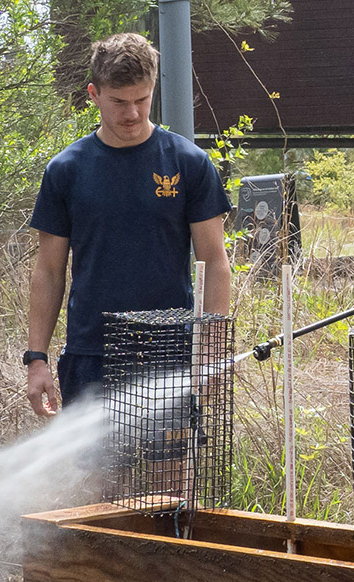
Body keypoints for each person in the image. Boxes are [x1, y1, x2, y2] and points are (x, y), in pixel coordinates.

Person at [25, 32, 232, 418]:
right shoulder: (65, 170)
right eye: (119, 102)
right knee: (99, 479)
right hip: (91, 351)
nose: (132, 113)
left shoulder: (189, 163)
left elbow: (215, 262)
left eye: (142, 99)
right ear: (94, 93)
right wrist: (36, 359)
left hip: (171, 346)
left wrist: (211, 348)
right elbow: (48, 272)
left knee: (170, 476)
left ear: (153, 89)